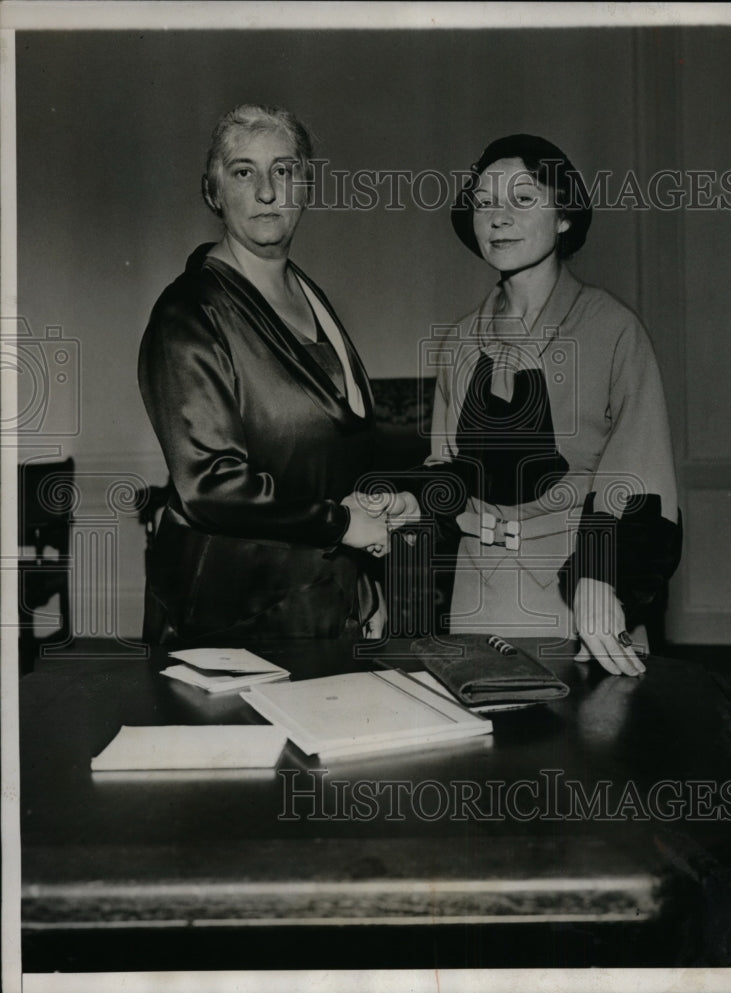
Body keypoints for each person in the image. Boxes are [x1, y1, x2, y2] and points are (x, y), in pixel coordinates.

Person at [138, 104, 417, 645]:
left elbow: (329, 454)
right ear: (213, 191)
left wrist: (362, 582)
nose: (267, 191)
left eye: (284, 170)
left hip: (323, 595)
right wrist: (341, 525)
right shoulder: (188, 313)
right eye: (244, 172)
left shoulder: (311, 296)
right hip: (235, 611)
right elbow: (212, 487)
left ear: (305, 186)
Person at [426, 133, 682, 676]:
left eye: (522, 199)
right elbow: (446, 478)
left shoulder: (614, 330)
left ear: (564, 216)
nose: (497, 217)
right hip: (479, 598)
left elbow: (641, 482)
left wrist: (598, 574)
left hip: (584, 594)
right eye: (485, 202)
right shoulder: (456, 343)